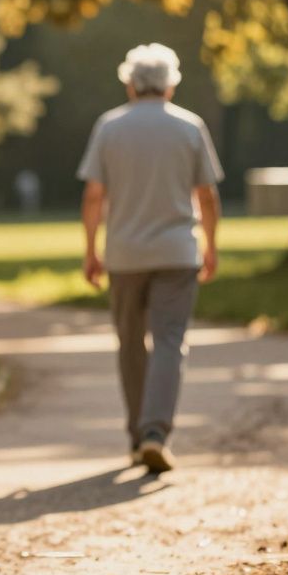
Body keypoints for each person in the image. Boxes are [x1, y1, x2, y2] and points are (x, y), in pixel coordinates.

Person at [77, 43, 223, 475]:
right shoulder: (189, 127)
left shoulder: (110, 126)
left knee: (130, 345)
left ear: (130, 83)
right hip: (178, 252)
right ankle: (156, 432)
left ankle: (138, 437)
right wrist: (211, 246)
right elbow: (207, 196)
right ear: (171, 85)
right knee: (169, 341)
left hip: (124, 255)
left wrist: (91, 248)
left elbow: (93, 195)